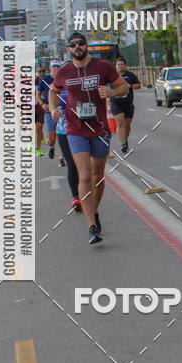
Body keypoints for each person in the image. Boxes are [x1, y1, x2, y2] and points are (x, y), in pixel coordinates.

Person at [49, 32, 128, 244]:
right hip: (75, 130)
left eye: (81, 44)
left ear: (86, 46)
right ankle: (92, 225)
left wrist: (110, 93)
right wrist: (53, 109)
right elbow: (53, 91)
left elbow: (123, 87)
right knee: (84, 175)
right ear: (69, 49)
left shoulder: (103, 67)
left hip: (100, 129)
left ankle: (94, 210)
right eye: (73, 45)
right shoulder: (64, 71)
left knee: (97, 176)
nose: (77, 47)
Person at [55, 87, 81, 212]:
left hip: (83, 130)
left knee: (85, 166)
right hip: (63, 130)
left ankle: (86, 192)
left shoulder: (84, 82)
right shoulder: (57, 86)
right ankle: (76, 197)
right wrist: (52, 109)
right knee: (72, 164)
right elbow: (50, 101)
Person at [110, 56, 141, 153]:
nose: (120, 66)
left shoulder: (130, 75)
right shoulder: (111, 76)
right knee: (120, 123)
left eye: (122, 64)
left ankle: (125, 139)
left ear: (125, 66)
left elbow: (138, 85)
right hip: (116, 102)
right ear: (115, 66)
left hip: (128, 103)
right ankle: (123, 143)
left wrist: (130, 86)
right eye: (118, 64)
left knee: (127, 125)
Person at [37, 59, 64, 161]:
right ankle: (52, 147)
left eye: (58, 66)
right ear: (50, 67)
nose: (56, 68)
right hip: (50, 111)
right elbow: (38, 94)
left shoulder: (64, 79)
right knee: (52, 138)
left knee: (63, 135)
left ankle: (62, 157)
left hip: (63, 110)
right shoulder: (45, 80)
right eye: (54, 66)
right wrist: (42, 104)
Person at [34, 66, 47, 156]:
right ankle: (30, 146)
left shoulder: (44, 81)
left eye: (43, 71)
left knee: (39, 129)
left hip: (40, 108)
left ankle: (38, 149)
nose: (41, 73)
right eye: (39, 71)